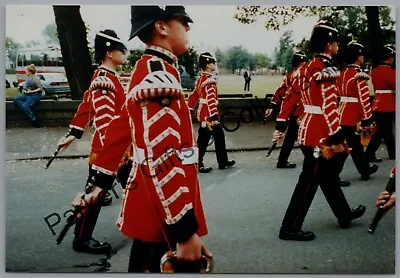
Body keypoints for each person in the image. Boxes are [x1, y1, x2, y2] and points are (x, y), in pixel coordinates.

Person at [72, 6, 211, 272]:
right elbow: (163, 156)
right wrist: (183, 230)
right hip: (165, 200)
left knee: (143, 264)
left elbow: (121, 128)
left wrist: (98, 183)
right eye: (183, 21)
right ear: (161, 27)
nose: (188, 28)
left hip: (153, 195)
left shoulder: (148, 68)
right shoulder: (157, 73)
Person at [273, 20, 366, 241]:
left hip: (308, 126)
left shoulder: (304, 68)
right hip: (320, 133)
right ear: (328, 45)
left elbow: (290, 96)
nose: (337, 47)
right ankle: (290, 227)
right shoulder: (324, 69)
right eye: (335, 42)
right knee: (309, 181)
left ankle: (344, 214)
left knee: (327, 176)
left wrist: (281, 123)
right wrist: (337, 134)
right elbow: (329, 104)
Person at [57, 29, 129, 254]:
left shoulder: (106, 76)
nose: (125, 53)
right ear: (109, 52)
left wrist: (74, 132)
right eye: (121, 50)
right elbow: (106, 121)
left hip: (118, 148)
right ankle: (81, 239)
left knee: (135, 187)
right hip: (109, 149)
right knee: (94, 196)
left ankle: (145, 225)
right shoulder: (105, 80)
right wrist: (114, 154)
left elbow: (87, 105)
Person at [336, 41, 379, 181]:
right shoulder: (358, 74)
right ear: (359, 57)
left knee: (355, 145)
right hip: (352, 114)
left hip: (340, 112)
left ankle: (364, 169)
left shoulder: (342, 73)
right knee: (346, 147)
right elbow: (363, 98)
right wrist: (367, 118)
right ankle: (333, 176)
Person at [187, 52, 236, 173]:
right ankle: (201, 163)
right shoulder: (209, 81)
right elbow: (211, 100)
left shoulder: (200, 80)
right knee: (204, 141)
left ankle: (222, 161)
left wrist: (190, 109)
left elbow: (193, 96)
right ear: (208, 64)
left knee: (215, 138)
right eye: (213, 62)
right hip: (209, 116)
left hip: (203, 114)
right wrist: (214, 116)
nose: (215, 65)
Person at [264, 51, 308, 169]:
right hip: (301, 111)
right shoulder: (302, 75)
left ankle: (283, 160)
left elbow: (281, 91)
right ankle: (311, 159)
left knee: (294, 136)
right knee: (299, 136)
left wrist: (273, 104)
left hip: (296, 111)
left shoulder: (291, 75)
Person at [365, 44, 396, 162]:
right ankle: (389, 153)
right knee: (384, 131)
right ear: (389, 57)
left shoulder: (375, 71)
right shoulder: (390, 72)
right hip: (388, 104)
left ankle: (372, 153)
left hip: (377, 103)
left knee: (382, 131)